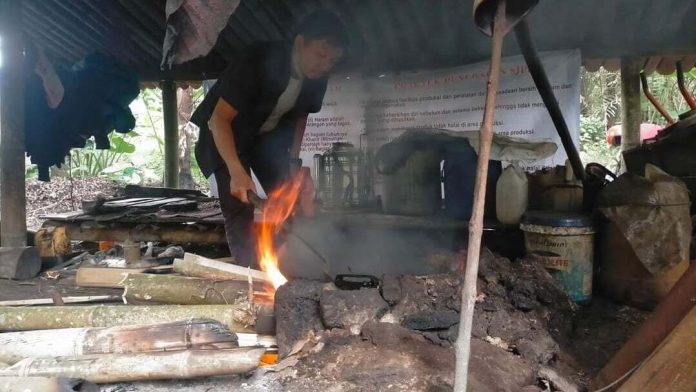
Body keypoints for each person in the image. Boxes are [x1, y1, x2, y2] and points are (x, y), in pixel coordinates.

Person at [191, 10, 348, 267]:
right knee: (239, 203)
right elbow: (218, 121)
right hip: (225, 135)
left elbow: (301, 117)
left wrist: (293, 164)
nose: (324, 65)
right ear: (300, 43)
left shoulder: (317, 77)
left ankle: (282, 262)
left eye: (332, 61)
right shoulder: (257, 60)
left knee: (286, 197)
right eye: (320, 55)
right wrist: (236, 171)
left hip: (265, 139)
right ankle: (249, 273)